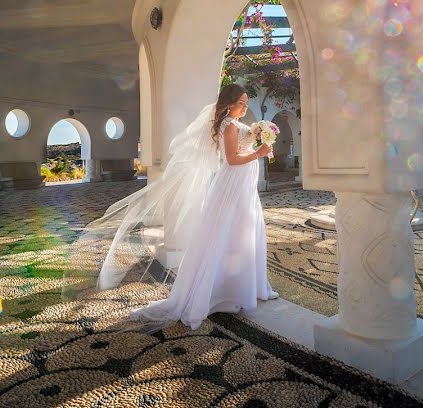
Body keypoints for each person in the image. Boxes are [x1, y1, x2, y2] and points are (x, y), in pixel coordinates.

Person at [65, 83, 278, 331]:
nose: (245, 106)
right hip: (231, 186)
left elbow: (244, 145)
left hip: (244, 187)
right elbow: (231, 159)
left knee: (244, 231)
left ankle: (245, 286)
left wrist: (259, 136)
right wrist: (258, 153)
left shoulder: (240, 125)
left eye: (246, 102)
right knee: (227, 233)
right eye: (241, 102)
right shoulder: (227, 125)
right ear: (229, 103)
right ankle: (222, 289)